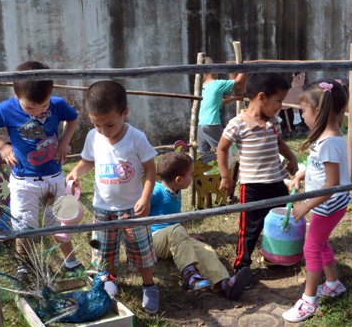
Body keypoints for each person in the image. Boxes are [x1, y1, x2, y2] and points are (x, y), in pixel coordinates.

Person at [0, 60, 83, 279]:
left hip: (54, 177)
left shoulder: (57, 104)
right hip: (24, 181)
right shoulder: (7, 109)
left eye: (43, 106)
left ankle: (70, 261)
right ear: (17, 97)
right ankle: (24, 265)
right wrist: (2, 146)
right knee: (24, 226)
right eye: (30, 108)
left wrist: (64, 142)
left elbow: (72, 119)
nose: (38, 112)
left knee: (58, 221)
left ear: (50, 95)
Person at [66, 80, 160, 314]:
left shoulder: (136, 138)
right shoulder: (93, 137)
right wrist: (76, 172)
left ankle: (149, 286)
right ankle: (109, 279)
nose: (104, 131)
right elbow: (88, 161)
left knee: (141, 251)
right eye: (97, 125)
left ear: (124, 113)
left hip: (132, 207)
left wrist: (145, 197)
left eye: (109, 124)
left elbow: (150, 169)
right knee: (103, 250)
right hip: (102, 208)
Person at [282, 80, 351, 323]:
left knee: (311, 247)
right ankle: (332, 284)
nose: (302, 115)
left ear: (317, 112)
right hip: (326, 204)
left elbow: (331, 184)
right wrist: (300, 175)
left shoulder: (329, 142)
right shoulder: (326, 138)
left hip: (326, 206)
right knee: (320, 244)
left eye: (303, 110)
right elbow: (318, 168)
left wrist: (307, 204)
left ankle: (308, 300)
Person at [217, 73, 298, 275]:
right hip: (252, 186)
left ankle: (276, 257)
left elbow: (279, 143)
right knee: (249, 229)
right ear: (261, 97)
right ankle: (241, 266)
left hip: (277, 181)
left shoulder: (273, 121)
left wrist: (292, 158)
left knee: (282, 222)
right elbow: (222, 148)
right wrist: (226, 176)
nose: (280, 106)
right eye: (278, 100)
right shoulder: (238, 123)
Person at [149, 152, 252, 300]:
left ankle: (224, 283)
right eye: (191, 174)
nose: (193, 177)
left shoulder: (176, 192)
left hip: (174, 237)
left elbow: (177, 220)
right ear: (178, 179)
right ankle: (190, 276)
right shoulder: (156, 191)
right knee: (177, 230)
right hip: (154, 240)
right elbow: (139, 214)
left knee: (205, 249)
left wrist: (187, 236)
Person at [197, 56, 247, 154]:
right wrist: (244, 68)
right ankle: (228, 168)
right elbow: (238, 81)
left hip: (201, 124)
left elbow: (220, 102)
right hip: (212, 123)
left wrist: (235, 98)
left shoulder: (203, 86)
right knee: (224, 150)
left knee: (204, 154)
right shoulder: (217, 84)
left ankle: (204, 169)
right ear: (214, 71)